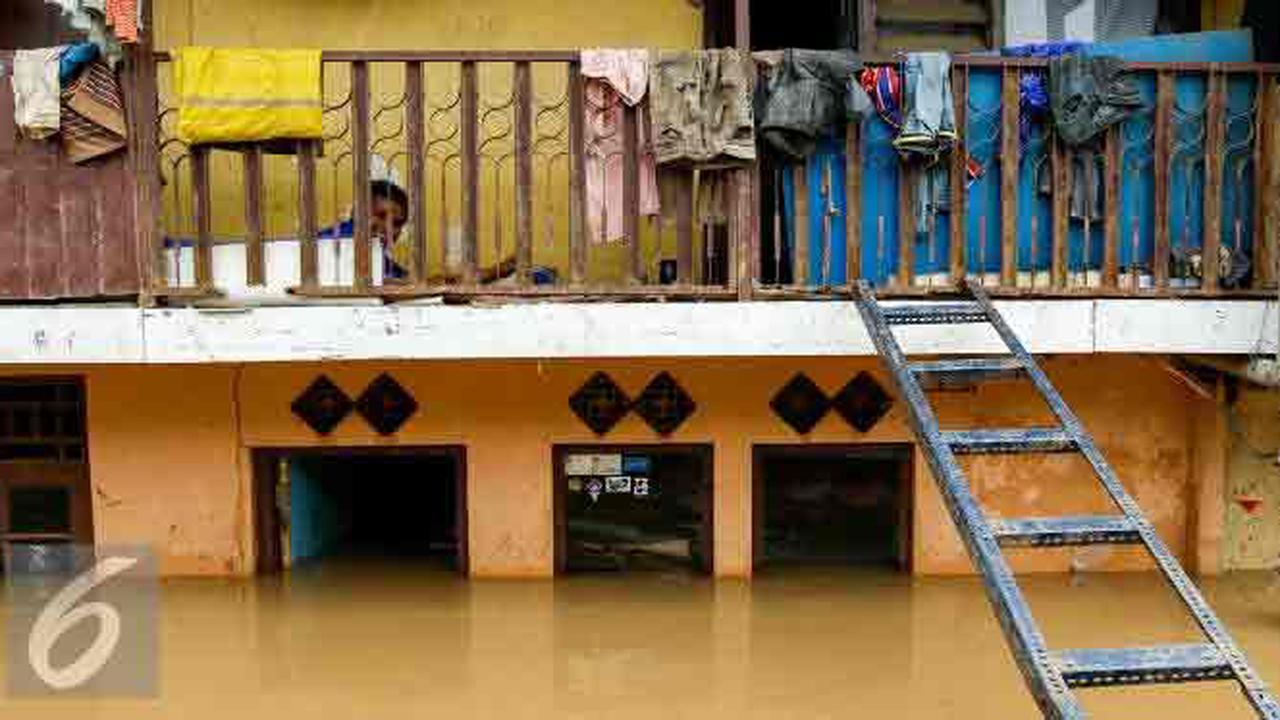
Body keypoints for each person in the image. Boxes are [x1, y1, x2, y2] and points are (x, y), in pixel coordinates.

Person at [325, 179, 551, 285]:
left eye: (397, 223)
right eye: (381, 216)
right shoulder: (335, 243)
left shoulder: (378, 258)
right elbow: (407, 287)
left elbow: (415, 283)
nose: (389, 229)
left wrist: (496, 272)